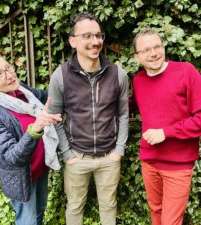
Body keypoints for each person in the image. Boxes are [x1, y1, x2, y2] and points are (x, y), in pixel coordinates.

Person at [48, 12, 129, 225]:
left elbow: (123, 114)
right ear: (73, 41)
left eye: (98, 35)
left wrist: (118, 150)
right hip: (77, 157)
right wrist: (67, 154)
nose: (95, 42)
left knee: (109, 206)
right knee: (74, 207)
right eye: (87, 36)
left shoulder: (118, 74)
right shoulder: (60, 75)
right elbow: (54, 117)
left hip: (109, 157)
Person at [132, 29, 201, 225]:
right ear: (137, 57)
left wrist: (166, 132)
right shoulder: (138, 81)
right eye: (146, 50)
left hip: (178, 165)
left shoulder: (185, 71)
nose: (153, 53)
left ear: (163, 47)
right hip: (149, 162)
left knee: (170, 221)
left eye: (157, 46)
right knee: (156, 213)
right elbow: (128, 106)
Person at [0, 46, 62, 225]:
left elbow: (46, 96)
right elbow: (12, 156)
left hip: (40, 169)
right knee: (28, 221)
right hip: (21, 180)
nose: (10, 75)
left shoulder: (22, 92)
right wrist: (36, 128)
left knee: (40, 213)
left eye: (8, 68)